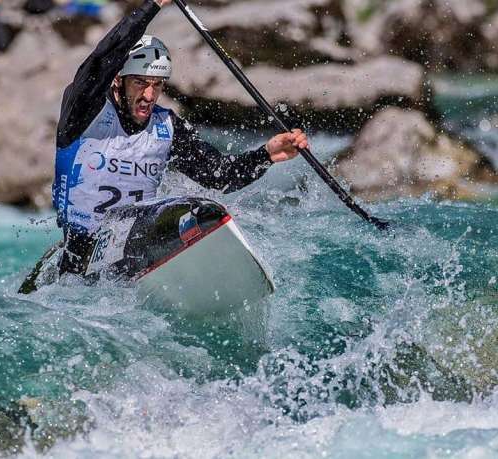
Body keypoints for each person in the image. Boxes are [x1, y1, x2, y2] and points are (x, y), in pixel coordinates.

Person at [53, 0, 309, 275]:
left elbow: (217, 175)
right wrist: (152, 5)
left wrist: (266, 154)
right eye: (140, 82)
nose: (149, 96)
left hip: (136, 248)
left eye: (157, 85)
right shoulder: (83, 112)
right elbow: (101, 60)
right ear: (118, 79)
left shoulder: (167, 127)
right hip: (80, 254)